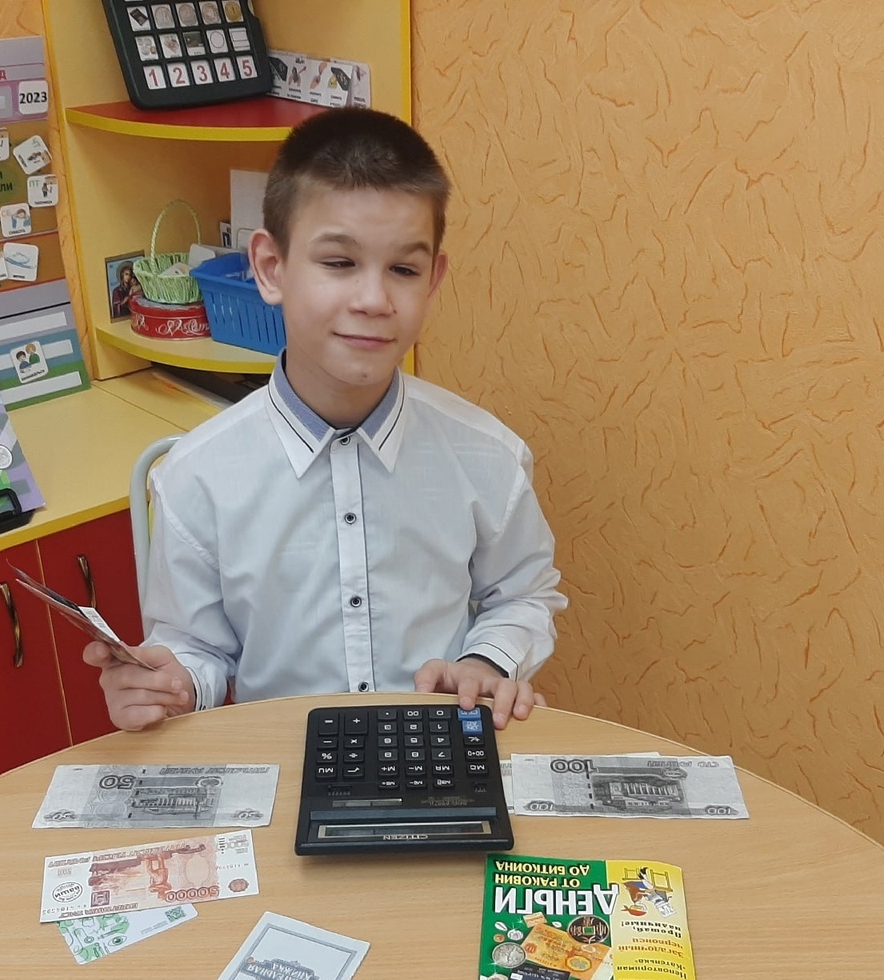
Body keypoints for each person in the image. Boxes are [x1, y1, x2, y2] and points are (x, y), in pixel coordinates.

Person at [84, 107, 566, 732]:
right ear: (270, 268)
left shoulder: (486, 454)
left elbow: (524, 594)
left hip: (436, 751)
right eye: (339, 263)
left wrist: (485, 660)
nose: (373, 300)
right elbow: (196, 648)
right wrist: (171, 683)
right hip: (280, 760)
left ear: (433, 281)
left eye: (404, 269)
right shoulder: (196, 475)